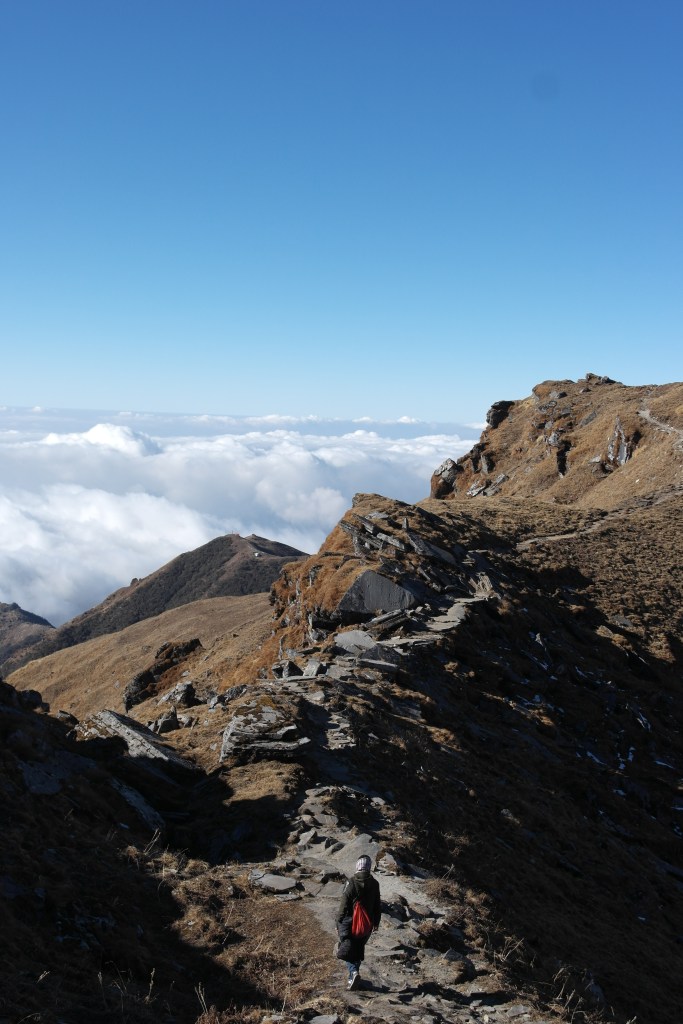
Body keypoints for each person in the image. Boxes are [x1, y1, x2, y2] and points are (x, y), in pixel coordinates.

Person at [336, 854, 382, 990]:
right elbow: (377, 905)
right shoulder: (375, 884)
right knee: (357, 949)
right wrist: (376, 923)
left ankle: (353, 973)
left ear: (358, 866)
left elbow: (344, 905)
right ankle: (352, 979)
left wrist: (338, 922)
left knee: (346, 949)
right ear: (368, 868)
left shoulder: (351, 882)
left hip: (349, 922)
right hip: (367, 924)